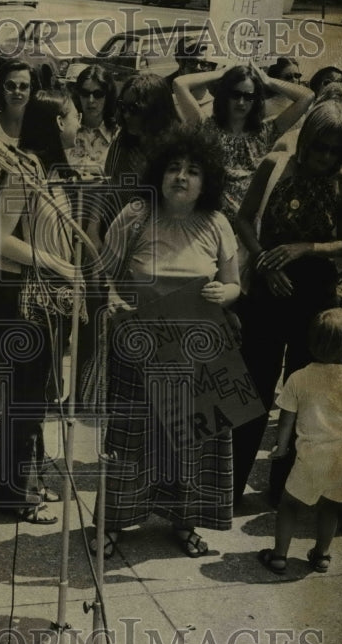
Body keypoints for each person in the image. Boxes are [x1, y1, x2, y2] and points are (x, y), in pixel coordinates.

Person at [92, 124, 239, 558]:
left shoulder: (217, 222)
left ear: (206, 180)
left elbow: (235, 286)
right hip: (140, 345)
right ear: (159, 173)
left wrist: (223, 293)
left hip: (199, 348)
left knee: (191, 439)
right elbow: (105, 273)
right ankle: (113, 522)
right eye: (174, 167)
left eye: (193, 170)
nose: (182, 176)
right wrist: (114, 295)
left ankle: (184, 521)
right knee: (129, 438)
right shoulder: (135, 215)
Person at [232, 102, 342, 504]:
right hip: (269, 288)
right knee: (254, 390)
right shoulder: (274, 165)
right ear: (305, 140)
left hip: (313, 293)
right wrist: (266, 262)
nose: (324, 157)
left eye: (334, 151)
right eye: (319, 147)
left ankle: (284, 489)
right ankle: (230, 487)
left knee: (303, 395)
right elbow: (243, 217)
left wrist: (305, 248)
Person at [0, 90, 83, 522]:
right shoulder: (22, 170)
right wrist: (56, 262)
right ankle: (15, 496)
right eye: (75, 114)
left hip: (50, 301)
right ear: (59, 122)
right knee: (25, 401)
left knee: (36, 398)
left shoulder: (48, 171)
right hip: (28, 303)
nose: (80, 122)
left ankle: (28, 483)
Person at [258, 309, 342, 576]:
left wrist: (281, 447)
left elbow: (286, 420)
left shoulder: (298, 378)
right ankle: (321, 555)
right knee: (331, 506)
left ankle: (279, 557)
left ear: (310, 343)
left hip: (311, 454)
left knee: (289, 505)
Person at [173, 61, 313, 226]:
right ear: (225, 95)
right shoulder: (207, 128)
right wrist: (222, 73)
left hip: (249, 227)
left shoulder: (265, 132)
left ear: (256, 100)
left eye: (248, 96)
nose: (241, 102)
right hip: (211, 224)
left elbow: (307, 96)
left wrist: (267, 80)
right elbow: (179, 83)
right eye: (235, 94)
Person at [86, 72, 178, 247]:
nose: (127, 115)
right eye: (123, 107)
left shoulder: (174, 150)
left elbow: (176, 206)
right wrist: (92, 230)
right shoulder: (122, 140)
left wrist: (148, 178)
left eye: (134, 109)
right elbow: (105, 184)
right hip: (112, 233)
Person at [68, 65, 118, 177]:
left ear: (108, 96)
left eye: (98, 94)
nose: (91, 100)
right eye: (85, 94)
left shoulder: (117, 135)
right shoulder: (67, 131)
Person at [0, 58, 40, 144]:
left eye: (23, 86)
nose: (17, 92)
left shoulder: (40, 127)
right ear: (1, 88)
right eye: (10, 86)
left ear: (31, 89)